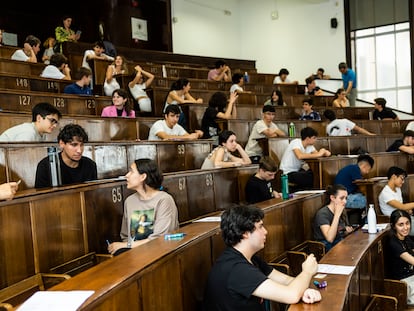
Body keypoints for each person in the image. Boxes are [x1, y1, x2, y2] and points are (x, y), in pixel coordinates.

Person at [202, 205, 321, 310]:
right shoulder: (236, 269)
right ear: (245, 233)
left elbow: (285, 281)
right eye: (260, 227)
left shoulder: (250, 258)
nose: (266, 232)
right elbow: (291, 295)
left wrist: (304, 290)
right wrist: (307, 272)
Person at [107, 159, 179, 256]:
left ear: (143, 176)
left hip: (159, 253)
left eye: (131, 171)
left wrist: (126, 245)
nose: (126, 175)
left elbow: (159, 238)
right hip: (134, 254)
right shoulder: (129, 201)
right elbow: (125, 235)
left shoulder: (164, 200)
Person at [34, 124, 97, 188]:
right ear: (62, 143)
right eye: (74, 145)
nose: (79, 150)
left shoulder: (90, 165)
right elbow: (41, 196)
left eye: (82, 145)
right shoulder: (45, 166)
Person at [279, 127, 331, 191]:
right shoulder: (296, 142)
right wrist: (320, 153)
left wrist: (324, 152)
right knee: (310, 177)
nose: (315, 140)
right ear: (307, 138)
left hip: (297, 171)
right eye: (314, 138)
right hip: (287, 173)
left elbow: (318, 155)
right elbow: (300, 156)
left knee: (314, 174)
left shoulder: (310, 146)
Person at [313, 184, 354, 252]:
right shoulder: (322, 214)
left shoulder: (342, 211)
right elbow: (330, 239)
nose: (345, 201)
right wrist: (337, 215)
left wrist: (346, 231)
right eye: (341, 198)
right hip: (327, 247)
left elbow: (340, 232)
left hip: (339, 243)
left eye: (346, 198)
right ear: (332, 198)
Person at [334, 155, 374, 222]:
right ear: (365, 166)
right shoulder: (355, 169)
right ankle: (368, 223)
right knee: (370, 201)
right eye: (368, 170)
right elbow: (363, 188)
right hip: (343, 199)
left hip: (344, 197)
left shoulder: (351, 168)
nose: (367, 172)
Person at [387, 209, 414, 305]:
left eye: (407, 223)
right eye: (401, 225)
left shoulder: (406, 238)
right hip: (403, 284)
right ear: (394, 226)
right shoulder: (394, 243)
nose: (406, 227)